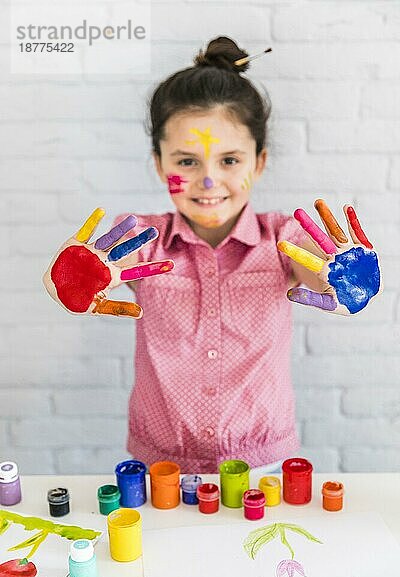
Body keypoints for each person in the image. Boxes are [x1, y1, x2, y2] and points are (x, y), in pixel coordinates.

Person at [44, 36, 382, 474]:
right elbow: (98, 273)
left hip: (262, 463)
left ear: (258, 163)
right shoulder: (142, 240)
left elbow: (318, 271)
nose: (207, 181)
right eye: (186, 162)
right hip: (160, 466)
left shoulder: (283, 239)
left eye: (229, 161)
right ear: (159, 163)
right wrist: (69, 281)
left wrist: (342, 278)